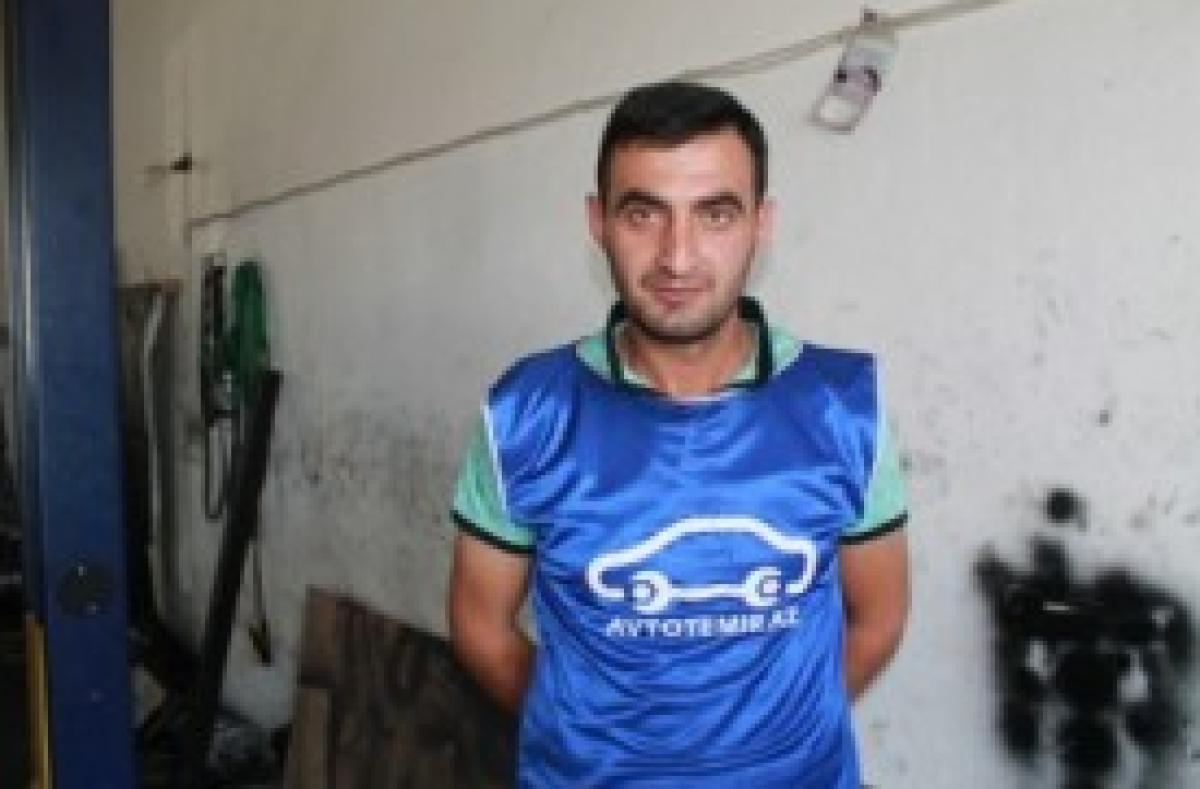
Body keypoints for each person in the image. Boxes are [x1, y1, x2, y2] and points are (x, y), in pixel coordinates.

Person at [447, 80, 910, 787]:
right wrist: (582, 735)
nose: (678, 257)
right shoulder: (525, 413)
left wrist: (776, 742)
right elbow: (481, 629)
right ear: (599, 222)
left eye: (715, 214)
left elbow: (878, 620)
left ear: (761, 223)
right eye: (644, 214)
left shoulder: (843, 407)